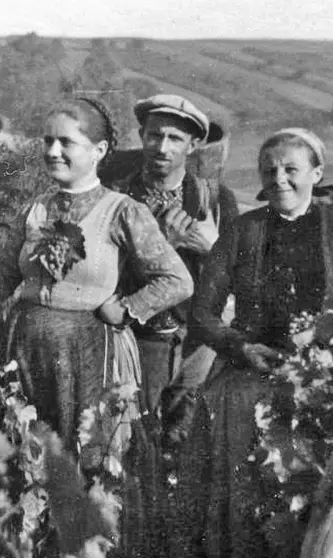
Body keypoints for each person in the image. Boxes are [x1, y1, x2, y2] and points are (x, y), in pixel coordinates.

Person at [0, 98, 194, 558]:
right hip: (28, 354)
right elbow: (1, 287)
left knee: (90, 469)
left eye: (66, 142)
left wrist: (129, 308)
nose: (53, 151)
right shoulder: (32, 210)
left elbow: (177, 280)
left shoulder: (121, 211)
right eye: (48, 141)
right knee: (29, 466)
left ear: (100, 150)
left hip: (92, 357)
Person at [175, 128, 333, 558]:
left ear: (316, 173)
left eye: (291, 169)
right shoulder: (242, 231)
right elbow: (203, 313)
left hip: (322, 384)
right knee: (240, 493)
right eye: (269, 170)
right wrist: (241, 347)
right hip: (248, 376)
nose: (279, 179)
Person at [110, 94, 239, 415]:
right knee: (133, 434)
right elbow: (99, 271)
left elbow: (243, 276)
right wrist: (163, 245)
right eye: (155, 135)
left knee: (184, 438)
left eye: (175, 138)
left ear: (192, 146)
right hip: (137, 338)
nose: (162, 147)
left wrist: (212, 248)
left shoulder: (216, 200)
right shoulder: (116, 197)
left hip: (196, 344)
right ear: (141, 137)